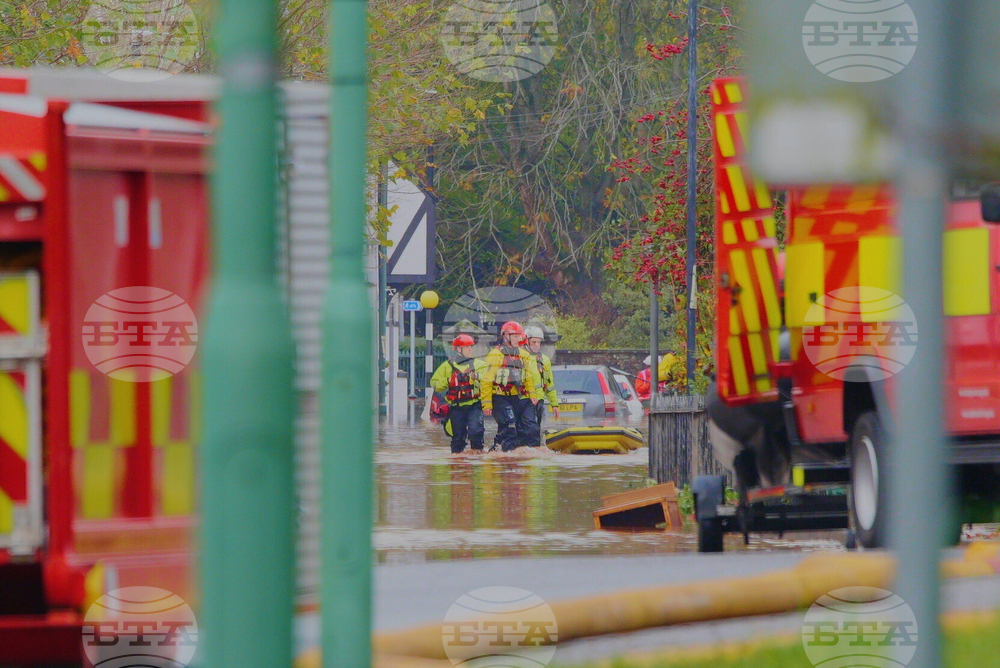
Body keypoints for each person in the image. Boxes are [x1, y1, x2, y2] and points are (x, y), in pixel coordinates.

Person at [480, 321, 541, 451]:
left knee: (531, 427)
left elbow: (528, 378)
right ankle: (507, 456)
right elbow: (487, 380)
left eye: (519, 336)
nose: (518, 339)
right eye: (514, 336)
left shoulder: (524, 355)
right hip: (501, 397)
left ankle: (533, 455)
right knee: (510, 426)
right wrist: (487, 404)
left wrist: (533, 395)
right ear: (505, 336)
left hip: (520, 396)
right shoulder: (496, 355)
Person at [430, 334, 486, 454]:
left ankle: (477, 458)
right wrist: (449, 381)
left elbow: (488, 380)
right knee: (457, 438)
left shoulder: (479, 365)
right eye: (467, 347)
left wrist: (476, 377)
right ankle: (457, 464)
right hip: (456, 407)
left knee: (476, 431)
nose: (471, 349)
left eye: (471, 347)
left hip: (474, 405)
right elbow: (434, 383)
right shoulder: (447, 366)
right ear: (459, 349)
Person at [523, 325, 559, 438]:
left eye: (539, 342)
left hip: (539, 400)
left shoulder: (544, 360)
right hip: (524, 400)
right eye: (534, 342)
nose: (537, 345)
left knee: (535, 429)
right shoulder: (519, 357)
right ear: (526, 341)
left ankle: (534, 450)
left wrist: (554, 404)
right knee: (525, 429)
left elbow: (549, 384)